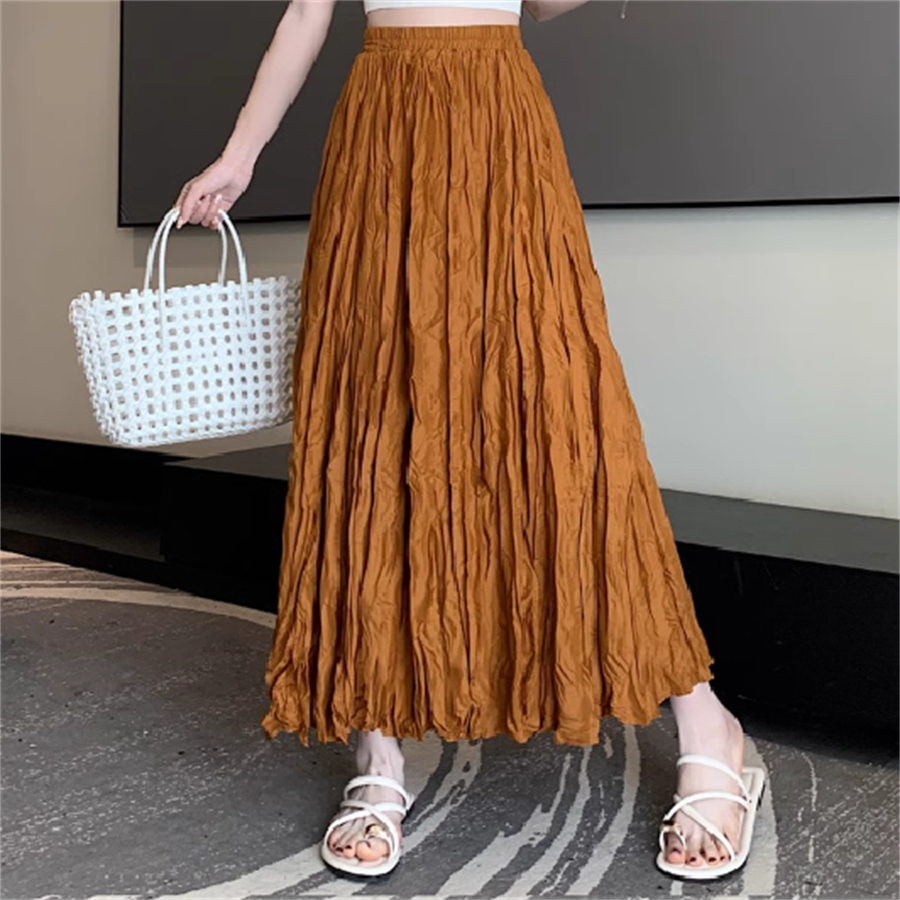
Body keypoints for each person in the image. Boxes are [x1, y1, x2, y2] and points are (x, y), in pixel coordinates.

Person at [176, 0, 765, 881]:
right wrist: (240, 155)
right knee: (378, 415)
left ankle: (707, 725)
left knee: (563, 419)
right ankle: (379, 750)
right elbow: (305, 11)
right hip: (382, 129)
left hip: (498, 121)